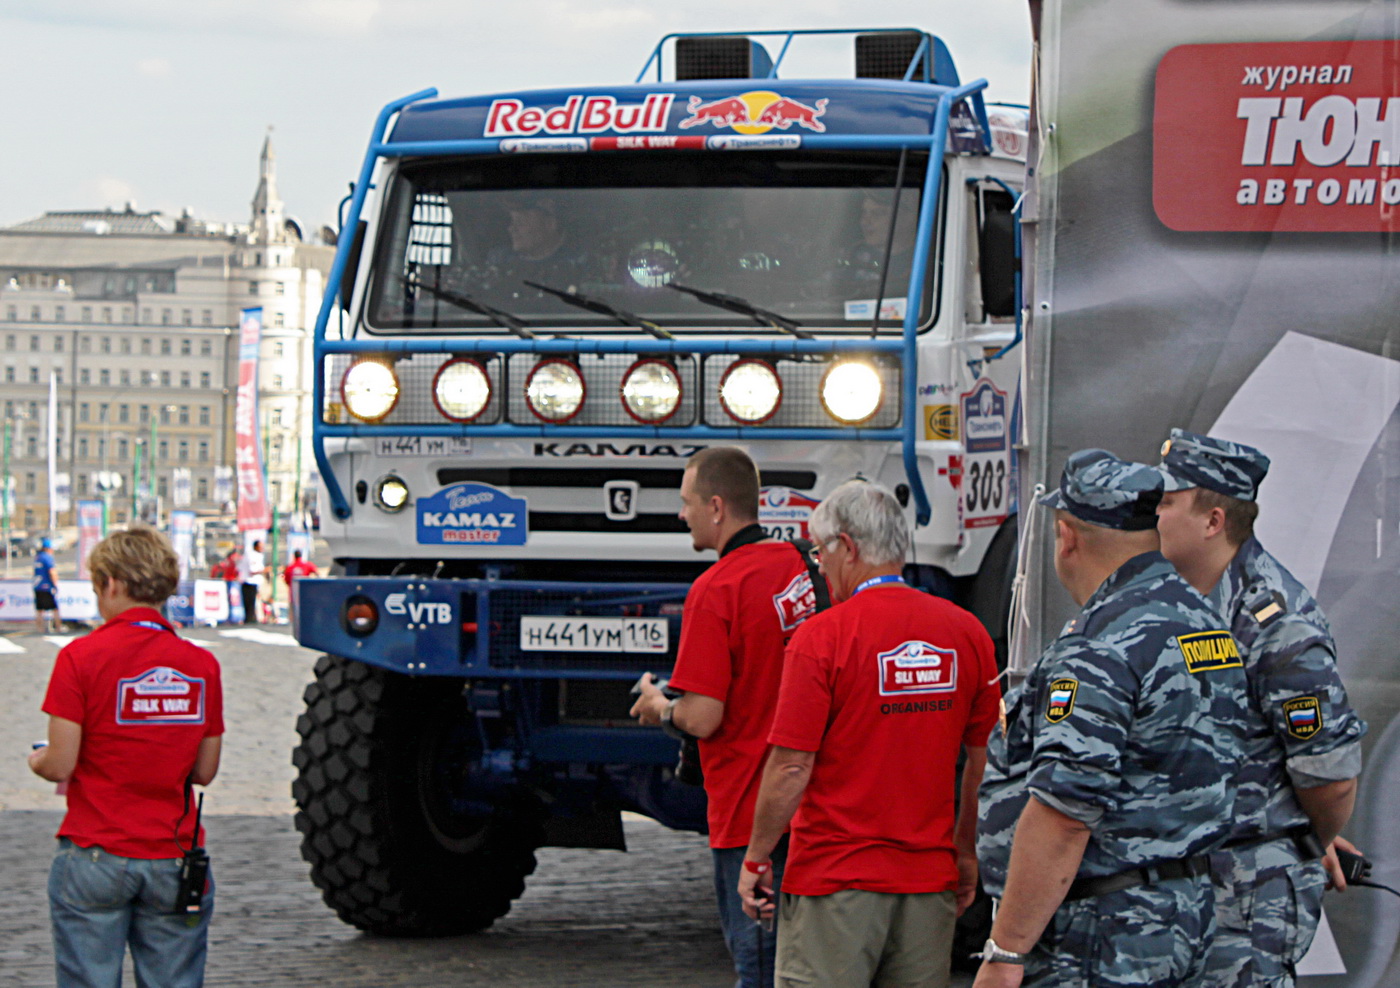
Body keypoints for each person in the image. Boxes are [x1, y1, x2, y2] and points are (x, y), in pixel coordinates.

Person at [974, 449, 1250, 988]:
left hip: (1100, 935)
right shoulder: (1201, 620)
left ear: (1066, 536)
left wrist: (1005, 952)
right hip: (1181, 914)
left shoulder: (1101, 645)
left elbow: (1064, 813)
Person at [738, 480, 1001, 988]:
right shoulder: (965, 632)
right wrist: (965, 851)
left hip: (835, 881)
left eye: (819, 551)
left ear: (849, 547)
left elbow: (792, 765)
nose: (818, 565)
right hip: (927, 882)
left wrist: (756, 856)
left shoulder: (823, 638)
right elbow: (984, 760)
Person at [1152, 428, 1366, 988]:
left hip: (1245, 900)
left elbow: (1330, 776)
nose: (1154, 515)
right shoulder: (1177, 601)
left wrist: (1301, 837)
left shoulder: (1276, 624)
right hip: (1181, 890)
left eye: (1167, 502)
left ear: (1213, 521)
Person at [630, 446, 820, 987]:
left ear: (716, 507)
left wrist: (660, 706)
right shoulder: (802, 566)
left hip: (746, 809)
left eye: (687, 502)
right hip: (810, 800)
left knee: (758, 969)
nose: (681, 514)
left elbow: (705, 716)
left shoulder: (716, 589)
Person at [28, 526, 223, 988]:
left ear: (112, 584)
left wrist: (35, 761)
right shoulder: (200, 665)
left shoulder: (81, 657)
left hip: (97, 850)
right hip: (173, 854)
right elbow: (205, 771)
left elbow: (60, 764)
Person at [282, 549, 319, 625]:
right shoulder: (307, 565)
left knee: (293, 610)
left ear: (294, 556)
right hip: (305, 592)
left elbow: (286, 580)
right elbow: (317, 572)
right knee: (305, 608)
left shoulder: (290, 567)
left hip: (293, 593)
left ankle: (293, 624)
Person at [33, 536, 61, 633]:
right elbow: (52, 572)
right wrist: (55, 584)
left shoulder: (38, 557)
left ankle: (40, 629)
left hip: (37, 586)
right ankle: (58, 627)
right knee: (55, 609)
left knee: (40, 610)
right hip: (46, 586)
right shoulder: (47, 558)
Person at [237, 539, 265, 625]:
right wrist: (264, 570)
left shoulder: (254, 555)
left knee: (251, 602)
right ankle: (249, 619)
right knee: (250, 601)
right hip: (249, 581)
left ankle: (251, 618)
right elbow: (252, 570)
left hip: (251, 582)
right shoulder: (253, 556)